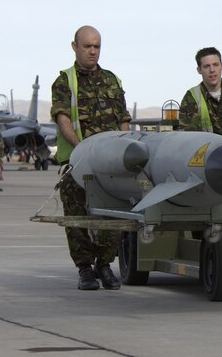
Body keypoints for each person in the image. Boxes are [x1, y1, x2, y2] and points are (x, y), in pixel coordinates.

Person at [51, 25, 132, 291]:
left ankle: (105, 264)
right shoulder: (65, 81)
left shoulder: (112, 80)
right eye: (87, 46)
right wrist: (81, 149)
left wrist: (124, 152)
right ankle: (85, 268)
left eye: (97, 46)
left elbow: (123, 120)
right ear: (75, 47)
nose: (93, 51)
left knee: (114, 216)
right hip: (77, 161)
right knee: (76, 217)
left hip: (109, 164)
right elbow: (63, 119)